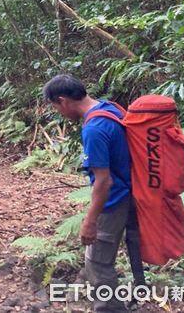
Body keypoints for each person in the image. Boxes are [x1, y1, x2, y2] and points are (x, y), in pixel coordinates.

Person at [43, 75, 139, 313]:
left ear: (63, 100)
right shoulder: (109, 109)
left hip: (113, 201)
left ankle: (110, 308)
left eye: (56, 107)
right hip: (131, 193)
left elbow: (104, 181)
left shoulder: (94, 129)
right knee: (102, 259)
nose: (59, 113)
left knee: (97, 261)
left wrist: (90, 221)